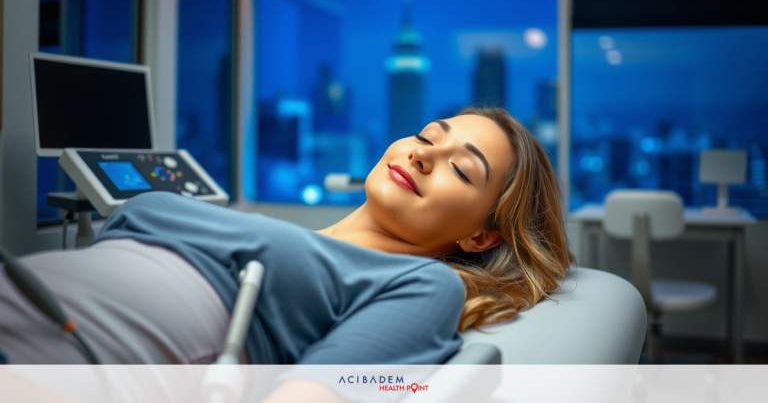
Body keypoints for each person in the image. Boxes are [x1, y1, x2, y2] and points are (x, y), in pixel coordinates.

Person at [0, 107, 572, 369]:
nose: (422, 153)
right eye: (428, 135)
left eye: (461, 168)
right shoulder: (281, 235)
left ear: (480, 236)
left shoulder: (421, 286)